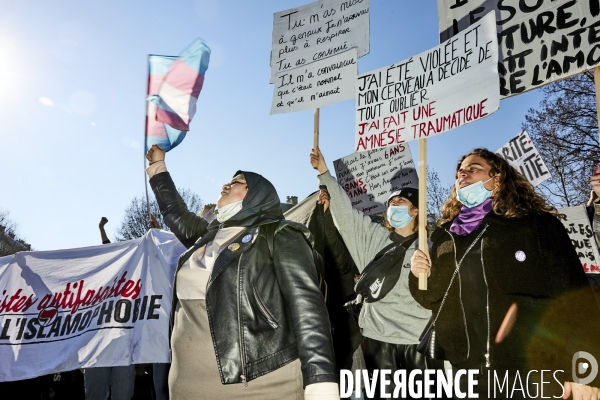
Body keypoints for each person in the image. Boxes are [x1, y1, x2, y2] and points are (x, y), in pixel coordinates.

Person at [145, 144, 338, 400]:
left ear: (258, 194)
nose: (226, 184)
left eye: (237, 182)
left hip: (262, 383)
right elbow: (174, 212)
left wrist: (321, 381)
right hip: (187, 385)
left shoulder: (280, 234)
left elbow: (308, 307)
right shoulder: (206, 237)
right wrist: (158, 167)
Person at [410, 148, 600, 399]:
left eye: (473, 168)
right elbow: (431, 298)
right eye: (460, 171)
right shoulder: (443, 236)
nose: (462, 174)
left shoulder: (534, 224)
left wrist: (585, 371)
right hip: (465, 372)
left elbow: (575, 297)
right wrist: (417, 274)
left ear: (497, 177)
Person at [310, 147, 445, 399]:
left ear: (415, 210)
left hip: (418, 342)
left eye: (400, 202)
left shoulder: (434, 244)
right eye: (391, 203)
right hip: (376, 341)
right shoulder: (373, 237)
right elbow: (346, 215)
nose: (393, 206)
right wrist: (324, 174)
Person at [82, 217, 136, 400]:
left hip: (124, 347)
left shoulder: (133, 282)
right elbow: (107, 249)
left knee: (123, 394)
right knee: (96, 393)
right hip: (98, 346)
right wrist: (101, 228)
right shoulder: (94, 288)